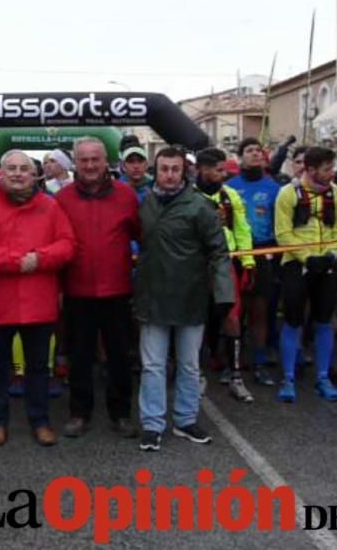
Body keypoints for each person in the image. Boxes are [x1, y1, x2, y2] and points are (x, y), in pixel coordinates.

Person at [0, 150, 76, 447]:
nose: (16, 173)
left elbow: (67, 245)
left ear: (34, 173)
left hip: (38, 303)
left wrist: (39, 259)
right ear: (1, 172)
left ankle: (40, 421)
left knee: (39, 368)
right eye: (10, 168)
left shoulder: (50, 208)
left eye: (23, 168)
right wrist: (15, 261)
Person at [134, 146, 234, 451]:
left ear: (185, 171)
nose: (169, 175)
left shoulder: (200, 207)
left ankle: (186, 419)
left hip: (190, 297)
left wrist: (223, 296)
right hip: (152, 297)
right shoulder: (145, 203)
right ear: (156, 169)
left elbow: (219, 252)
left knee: (189, 365)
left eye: (175, 169)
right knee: (152, 365)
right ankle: (152, 424)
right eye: (163, 168)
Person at [55, 137, 141, 438]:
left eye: (95, 159)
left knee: (119, 356)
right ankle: (79, 413)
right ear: (75, 163)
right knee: (79, 357)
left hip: (117, 290)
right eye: (84, 160)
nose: (90, 165)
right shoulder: (62, 198)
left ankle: (120, 414)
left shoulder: (126, 195)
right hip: (77, 291)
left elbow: (141, 235)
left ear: (107, 161)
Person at [274, 146, 337, 404]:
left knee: (324, 321)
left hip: (327, 264)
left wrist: (330, 255)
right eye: (327, 169)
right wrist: (307, 258)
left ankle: (323, 377)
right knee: (293, 320)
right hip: (295, 264)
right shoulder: (287, 194)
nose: (332, 173)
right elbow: (283, 233)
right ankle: (288, 378)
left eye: (332, 168)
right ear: (311, 169)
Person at [194, 147, 255, 404]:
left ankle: (236, 377)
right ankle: (196, 374)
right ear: (203, 170)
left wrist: (248, 262)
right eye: (218, 170)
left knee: (232, 319)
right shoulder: (187, 196)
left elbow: (242, 229)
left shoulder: (230, 196)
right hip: (195, 265)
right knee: (196, 319)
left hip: (225, 263)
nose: (223, 175)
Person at [226, 137, 281, 387]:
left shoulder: (274, 188)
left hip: (262, 252)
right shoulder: (228, 186)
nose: (255, 154)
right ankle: (231, 364)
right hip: (235, 253)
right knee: (234, 312)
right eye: (249, 150)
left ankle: (259, 363)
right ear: (240, 157)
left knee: (260, 311)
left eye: (259, 150)